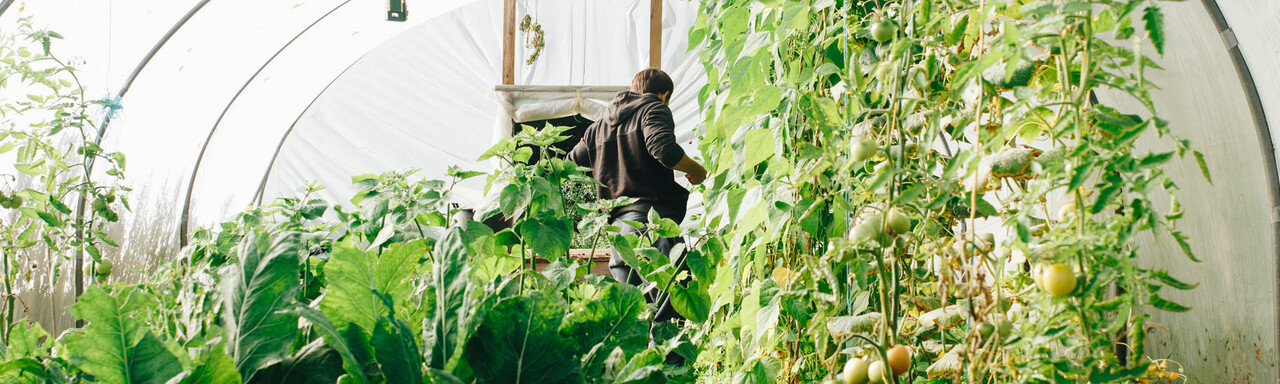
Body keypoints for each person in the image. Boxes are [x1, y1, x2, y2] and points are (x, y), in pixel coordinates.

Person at [567, 68, 707, 323]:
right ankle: (672, 365)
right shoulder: (653, 108)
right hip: (650, 226)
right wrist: (696, 169)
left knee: (637, 317)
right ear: (663, 95)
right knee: (671, 307)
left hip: (617, 235)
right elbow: (663, 148)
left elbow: (568, 167)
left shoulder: (596, 129)